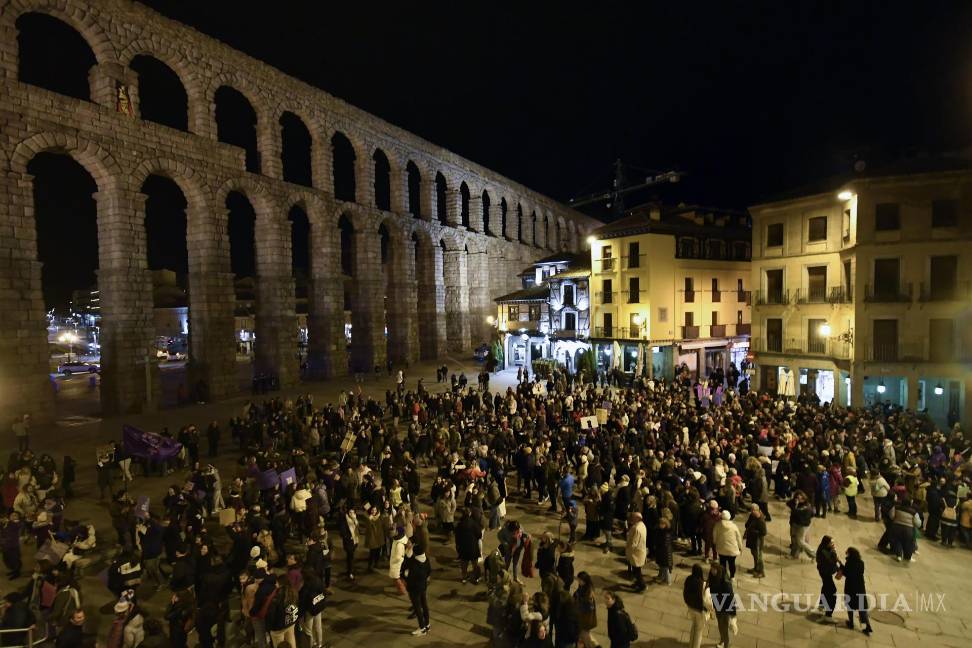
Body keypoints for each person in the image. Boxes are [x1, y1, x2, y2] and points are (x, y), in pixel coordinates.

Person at [839, 547, 872, 635]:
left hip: (851, 588)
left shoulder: (849, 563)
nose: (846, 554)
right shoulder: (861, 563)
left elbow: (846, 573)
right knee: (862, 608)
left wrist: (840, 564)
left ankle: (851, 623)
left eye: (847, 553)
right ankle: (868, 626)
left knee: (850, 606)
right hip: (860, 588)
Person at [402, 544, 432, 636]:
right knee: (424, 605)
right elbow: (429, 572)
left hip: (414, 589)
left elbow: (407, 576)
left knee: (417, 607)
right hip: (423, 586)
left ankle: (422, 628)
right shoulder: (426, 560)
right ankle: (427, 624)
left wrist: (405, 576)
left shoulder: (414, 564)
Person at [707, 562, 737, 648]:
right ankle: (722, 640)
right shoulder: (712, 577)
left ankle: (726, 645)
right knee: (720, 625)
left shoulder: (726, 583)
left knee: (724, 627)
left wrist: (733, 613)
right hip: (717, 605)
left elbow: (731, 598)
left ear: (718, 570)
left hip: (725, 608)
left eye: (714, 569)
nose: (712, 571)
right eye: (711, 569)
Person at [683, 564, 711, 648]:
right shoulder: (703, 584)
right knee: (698, 630)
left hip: (691, 608)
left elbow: (685, 593)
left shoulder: (688, 579)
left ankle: (690, 644)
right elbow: (707, 601)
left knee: (694, 626)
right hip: (699, 610)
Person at [713, 510, 743, 581]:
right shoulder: (734, 526)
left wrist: (715, 543)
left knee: (722, 563)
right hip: (732, 549)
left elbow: (714, 536)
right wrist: (740, 547)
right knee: (732, 563)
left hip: (721, 548)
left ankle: (723, 576)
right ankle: (732, 576)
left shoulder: (718, 525)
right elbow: (738, 537)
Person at [815, 536, 839, 616]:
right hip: (825, 572)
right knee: (832, 590)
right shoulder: (823, 551)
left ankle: (821, 604)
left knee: (825, 587)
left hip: (825, 571)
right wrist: (834, 552)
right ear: (826, 543)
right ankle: (827, 612)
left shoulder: (825, 548)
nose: (833, 544)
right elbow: (832, 561)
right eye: (831, 543)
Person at [787, 491, 815, 560]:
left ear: (804, 498)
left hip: (802, 525)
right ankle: (794, 555)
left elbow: (797, 512)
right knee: (794, 540)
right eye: (797, 498)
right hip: (794, 523)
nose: (799, 499)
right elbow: (788, 503)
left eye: (801, 498)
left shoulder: (807, 507)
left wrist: (795, 506)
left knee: (800, 541)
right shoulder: (796, 503)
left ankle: (813, 553)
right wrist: (795, 503)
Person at [574, 571, 598, 648]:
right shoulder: (582, 586)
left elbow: (589, 608)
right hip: (581, 617)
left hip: (585, 620)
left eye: (579, 580)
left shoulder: (589, 592)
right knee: (582, 637)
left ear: (584, 581)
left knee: (584, 637)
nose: (578, 581)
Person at [624, 512, 647, 592]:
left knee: (637, 572)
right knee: (637, 570)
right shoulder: (642, 525)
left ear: (637, 519)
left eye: (633, 518)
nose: (631, 519)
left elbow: (634, 543)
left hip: (636, 554)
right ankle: (637, 583)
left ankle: (642, 586)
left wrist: (628, 549)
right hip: (640, 552)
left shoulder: (636, 528)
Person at [743, 504, 766, 578]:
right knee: (754, 555)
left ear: (758, 510)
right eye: (751, 510)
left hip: (757, 542)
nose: (752, 511)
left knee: (758, 557)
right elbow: (747, 524)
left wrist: (752, 531)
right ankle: (756, 568)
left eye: (754, 510)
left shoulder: (761, 520)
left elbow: (763, 532)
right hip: (752, 540)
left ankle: (761, 572)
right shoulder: (752, 516)